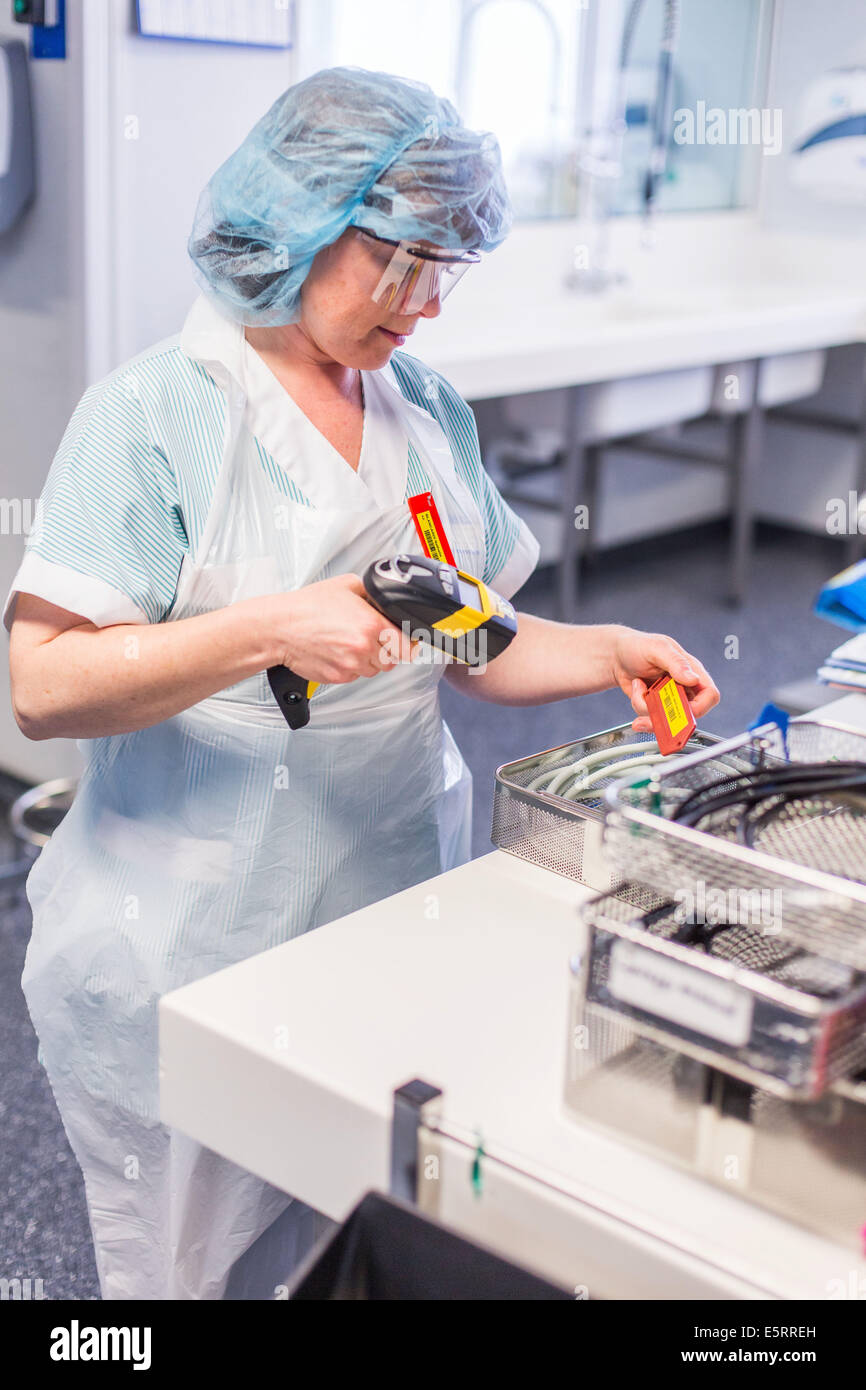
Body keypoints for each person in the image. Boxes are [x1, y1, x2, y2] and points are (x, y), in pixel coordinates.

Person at [6, 67, 719, 1300]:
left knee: (343, 1228)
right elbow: (43, 684)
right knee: (181, 1269)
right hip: (188, 940)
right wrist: (263, 630)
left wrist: (601, 649)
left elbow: (475, 640)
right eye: (401, 265)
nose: (425, 305)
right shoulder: (155, 416)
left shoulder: (422, 411)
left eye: (445, 270)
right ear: (297, 222)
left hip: (384, 906)